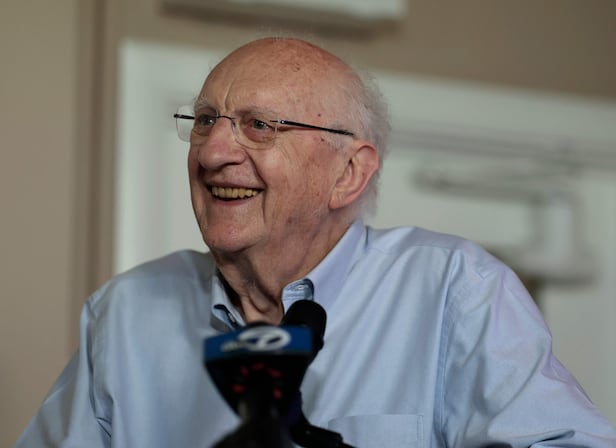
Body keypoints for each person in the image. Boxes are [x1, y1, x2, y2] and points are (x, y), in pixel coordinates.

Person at [15, 37, 616, 448]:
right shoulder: (125, 312)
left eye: (259, 125)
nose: (214, 152)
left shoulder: (456, 290)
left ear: (349, 173)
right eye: (205, 121)